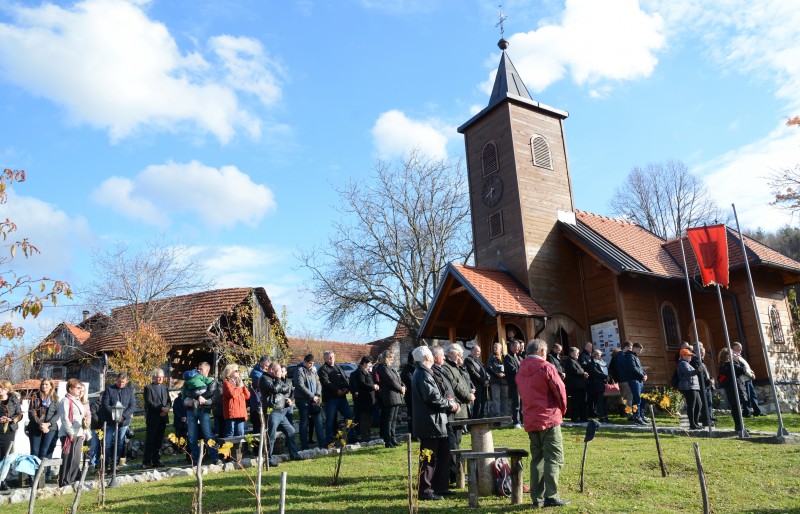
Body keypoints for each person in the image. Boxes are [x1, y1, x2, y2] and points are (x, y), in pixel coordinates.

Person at [516, 339, 569, 508]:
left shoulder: (521, 370)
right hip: (548, 418)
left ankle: (536, 497)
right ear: (541, 352)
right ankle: (551, 496)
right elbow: (560, 391)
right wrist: (562, 410)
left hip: (531, 418)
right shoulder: (546, 367)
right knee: (554, 458)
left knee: (537, 459)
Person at [411, 345, 459, 501]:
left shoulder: (425, 373)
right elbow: (432, 398)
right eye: (431, 354)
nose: (433, 356)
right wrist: (450, 404)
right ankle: (424, 490)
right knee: (429, 458)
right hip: (430, 423)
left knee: (444, 455)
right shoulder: (422, 374)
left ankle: (441, 486)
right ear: (427, 357)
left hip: (438, 422)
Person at [442, 344, 474, 482]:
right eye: (458, 353)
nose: (461, 356)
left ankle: (457, 473)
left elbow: (464, 381)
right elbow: (455, 386)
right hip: (454, 411)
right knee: (453, 444)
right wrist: (467, 396)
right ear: (450, 353)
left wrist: (469, 393)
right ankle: (454, 475)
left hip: (461, 410)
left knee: (458, 442)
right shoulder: (446, 367)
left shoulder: (456, 366)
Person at [259, 361, 302, 466]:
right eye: (278, 370)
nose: (280, 373)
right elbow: (274, 389)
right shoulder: (264, 378)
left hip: (281, 411)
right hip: (272, 411)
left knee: (291, 431)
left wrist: (278, 387)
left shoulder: (275, 379)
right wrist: (278, 380)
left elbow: (286, 388)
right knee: (271, 436)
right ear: (273, 370)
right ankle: (268, 459)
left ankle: (293, 454)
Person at [181, 362, 219, 465]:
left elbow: (212, 400)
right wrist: (187, 401)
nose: (199, 370)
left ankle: (215, 457)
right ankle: (196, 460)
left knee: (208, 435)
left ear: (207, 370)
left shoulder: (210, 383)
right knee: (192, 436)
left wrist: (203, 400)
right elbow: (186, 393)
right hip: (191, 411)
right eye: (198, 368)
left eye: (201, 369)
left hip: (204, 411)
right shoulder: (192, 379)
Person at [318, 350, 353, 447]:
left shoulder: (338, 367)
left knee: (349, 416)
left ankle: (350, 435)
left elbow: (345, 378)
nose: (331, 358)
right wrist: (337, 391)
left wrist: (347, 388)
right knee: (330, 420)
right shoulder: (322, 369)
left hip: (342, 398)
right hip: (331, 399)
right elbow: (326, 382)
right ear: (325, 358)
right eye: (329, 357)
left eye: (332, 356)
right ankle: (329, 440)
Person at [101, 373, 135, 467]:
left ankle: (114, 465)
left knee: (120, 443)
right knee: (107, 444)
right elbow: (105, 405)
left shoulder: (129, 391)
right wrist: (115, 415)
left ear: (126, 381)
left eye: (123, 382)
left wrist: (123, 416)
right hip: (110, 421)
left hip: (123, 422)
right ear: (116, 380)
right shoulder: (109, 389)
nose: (121, 383)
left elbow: (132, 406)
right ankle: (105, 464)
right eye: (119, 381)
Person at [57, 379, 85, 487]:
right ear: (70, 389)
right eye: (77, 388)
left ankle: (71, 480)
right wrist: (71, 433)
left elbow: (81, 417)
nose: (80, 390)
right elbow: (64, 419)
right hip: (69, 434)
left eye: (80, 388)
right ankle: (64, 482)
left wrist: (83, 431)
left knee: (76, 459)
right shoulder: (65, 400)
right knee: (68, 458)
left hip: (78, 433)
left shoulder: (77, 400)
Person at [293, 353, 324, 450]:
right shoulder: (299, 370)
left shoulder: (314, 371)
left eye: (313, 363)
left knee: (318, 422)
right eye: (310, 363)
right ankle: (304, 445)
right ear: (305, 362)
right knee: (304, 422)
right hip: (303, 400)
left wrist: (317, 395)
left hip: (314, 400)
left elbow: (318, 383)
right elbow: (300, 386)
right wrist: (312, 396)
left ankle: (322, 444)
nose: (312, 365)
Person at [376, 350, 405, 447]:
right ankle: (388, 441)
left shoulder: (390, 368)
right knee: (388, 420)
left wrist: (403, 386)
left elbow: (397, 379)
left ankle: (393, 438)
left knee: (393, 420)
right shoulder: (381, 368)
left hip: (396, 396)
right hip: (389, 396)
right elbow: (390, 381)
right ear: (386, 358)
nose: (392, 360)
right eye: (391, 358)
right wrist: (400, 388)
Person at [143, 369, 171, 468]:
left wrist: (166, 409)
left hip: (163, 418)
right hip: (153, 418)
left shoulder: (164, 388)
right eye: (158, 377)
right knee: (151, 440)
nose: (160, 379)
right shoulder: (148, 388)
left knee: (159, 440)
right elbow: (149, 402)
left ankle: (156, 460)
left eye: (161, 377)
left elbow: (168, 401)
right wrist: (161, 409)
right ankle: (146, 461)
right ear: (154, 377)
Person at [27, 378, 58, 465]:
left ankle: (41, 475)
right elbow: (31, 413)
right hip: (35, 427)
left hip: (50, 428)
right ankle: (32, 475)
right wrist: (40, 424)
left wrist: (48, 424)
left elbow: (58, 413)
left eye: (46, 384)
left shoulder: (56, 398)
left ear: (51, 386)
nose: (44, 386)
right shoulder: (35, 397)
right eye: (43, 384)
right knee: (34, 451)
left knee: (44, 451)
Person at [718, 348, 748, 435]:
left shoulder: (722, 365)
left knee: (734, 407)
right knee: (738, 407)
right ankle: (740, 426)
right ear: (728, 355)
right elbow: (742, 370)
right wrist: (738, 360)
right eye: (731, 354)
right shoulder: (731, 364)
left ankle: (738, 425)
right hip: (736, 387)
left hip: (729, 389)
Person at [0, 380, 21, 491]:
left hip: (8, 431)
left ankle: (3, 481)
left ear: (7, 389)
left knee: (6, 457)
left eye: (2, 388)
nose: (0, 389)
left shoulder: (14, 400)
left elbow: (20, 414)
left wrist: (11, 419)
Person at [732, 342, 763, 417]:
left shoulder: (740, 356)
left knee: (753, 395)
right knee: (747, 396)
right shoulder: (734, 357)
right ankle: (747, 412)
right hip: (744, 379)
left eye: (741, 347)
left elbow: (747, 367)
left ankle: (757, 411)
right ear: (735, 348)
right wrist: (750, 375)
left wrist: (752, 373)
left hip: (748, 378)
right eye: (739, 347)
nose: (741, 349)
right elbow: (743, 369)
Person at [353, 356, 379, 442]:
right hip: (364, 399)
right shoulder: (360, 372)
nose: (370, 366)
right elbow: (362, 384)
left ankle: (367, 434)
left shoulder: (366, 371)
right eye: (369, 364)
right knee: (365, 418)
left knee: (368, 418)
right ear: (364, 363)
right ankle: (365, 436)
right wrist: (372, 386)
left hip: (370, 398)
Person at [222, 363, 250, 439]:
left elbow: (247, 396)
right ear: (230, 373)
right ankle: (227, 451)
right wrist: (239, 387)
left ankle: (238, 451)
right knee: (230, 433)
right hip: (232, 413)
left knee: (240, 434)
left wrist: (243, 387)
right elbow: (232, 394)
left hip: (241, 413)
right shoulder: (226, 383)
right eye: (236, 371)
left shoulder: (239, 383)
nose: (238, 372)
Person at [677, 348, 701, 429]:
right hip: (688, 387)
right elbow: (688, 373)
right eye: (688, 355)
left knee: (699, 404)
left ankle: (696, 422)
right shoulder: (682, 363)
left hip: (693, 386)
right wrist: (697, 370)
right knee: (692, 405)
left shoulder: (687, 363)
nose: (690, 357)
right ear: (683, 356)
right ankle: (692, 424)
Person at [625, 342, 648, 425]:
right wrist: (642, 375)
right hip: (633, 380)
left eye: (640, 350)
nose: (640, 352)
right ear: (634, 348)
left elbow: (640, 368)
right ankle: (637, 417)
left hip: (639, 380)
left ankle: (641, 416)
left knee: (642, 399)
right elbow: (633, 368)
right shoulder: (629, 356)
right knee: (637, 399)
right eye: (639, 350)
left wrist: (645, 374)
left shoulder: (635, 357)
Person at [464, 345, 489, 419]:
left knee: (483, 402)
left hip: (483, 385)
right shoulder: (468, 360)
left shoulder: (477, 360)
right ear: (472, 351)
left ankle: (481, 416)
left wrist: (488, 379)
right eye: (478, 351)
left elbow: (484, 371)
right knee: (478, 402)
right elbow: (473, 372)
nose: (479, 353)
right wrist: (483, 381)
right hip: (476, 385)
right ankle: (476, 418)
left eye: (480, 352)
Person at [564, 347, 588, 423]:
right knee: (576, 402)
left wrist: (584, 372)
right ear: (572, 353)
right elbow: (574, 371)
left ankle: (583, 417)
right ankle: (575, 418)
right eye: (577, 353)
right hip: (575, 386)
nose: (578, 354)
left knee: (582, 401)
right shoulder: (569, 361)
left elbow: (580, 369)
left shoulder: (576, 361)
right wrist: (583, 373)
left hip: (580, 385)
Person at [248, 356, 270, 435]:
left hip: (261, 402)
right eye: (265, 366)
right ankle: (256, 447)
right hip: (257, 404)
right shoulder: (256, 373)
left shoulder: (261, 373)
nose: (266, 368)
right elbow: (264, 383)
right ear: (260, 363)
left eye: (268, 366)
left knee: (263, 427)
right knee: (257, 429)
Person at [586, 350, 609, 423]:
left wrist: (608, 376)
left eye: (600, 355)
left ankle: (605, 416)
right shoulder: (591, 364)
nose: (600, 356)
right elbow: (596, 372)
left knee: (604, 401)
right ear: (594, 355)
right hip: (597, 384)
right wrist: (605, 376)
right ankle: (602, 416)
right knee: (600, 401)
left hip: (603, 383)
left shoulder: (601, 363)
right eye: (598, 355)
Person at [695, 345, 716, 427]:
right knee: (705, 404)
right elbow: (700, 375)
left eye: (703, 353)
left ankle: (709, 419)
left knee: (709, 403)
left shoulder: (702, 362)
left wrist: (711, 379)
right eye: (701, 353)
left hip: (707, 386)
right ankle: (706, 421)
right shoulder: (695, 361)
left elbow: (707, 374)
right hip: (702, 386)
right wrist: (708, 381)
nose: (703, 354)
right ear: (696, 352)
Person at [504, 340, 523, 428]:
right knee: (516, 403)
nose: (519, 348)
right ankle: (516, 422)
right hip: (514, 383)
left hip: (520, 383)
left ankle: (522, 420)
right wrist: (522, 370)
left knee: (522, 403)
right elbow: (513, 370)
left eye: (519, 346)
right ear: (511, 347)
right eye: (517, 346)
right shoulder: (507, 357)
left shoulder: (518, 357)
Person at [487, 342, 508, 417]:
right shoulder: (491, 357)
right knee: (496, 398)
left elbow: (508, 367)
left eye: (496, 347)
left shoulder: (505, 357)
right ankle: (497, 414)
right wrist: (497, 374)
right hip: (495, 380)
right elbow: (489, 368)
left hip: (504, 381)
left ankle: (505, 414)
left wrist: (505, 374)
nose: (495, 349)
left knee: (505, 397)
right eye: (494, 347)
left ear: (501, 349)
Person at [614, 341, 634, 415]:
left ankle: (622, 412)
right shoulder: (622, 356)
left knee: (622, 396)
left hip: (620, 379)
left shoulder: (618, 355)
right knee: (629, 396)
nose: (631, 350)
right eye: (630, 348)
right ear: (626, 347)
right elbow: (625, 368)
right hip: (625, 379)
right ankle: (629, 413)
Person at [400, 350, 416, 436]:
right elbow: (411, 383)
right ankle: (413, 433)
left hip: (414, 396)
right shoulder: (407, 369)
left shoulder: (414, 368)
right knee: (412, 415)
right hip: (410, 396)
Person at [578, 342, 596, 417]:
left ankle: (593, 410)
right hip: (587, 379)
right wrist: (591, 366)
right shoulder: (582, 355)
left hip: (592, 378)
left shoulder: (591, 355)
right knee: (588, 396)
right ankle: (589, 411)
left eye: (591, 347)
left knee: (593, 396)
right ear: (585, 347)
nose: (591, 348)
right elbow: (583, 365)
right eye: (589, 347)